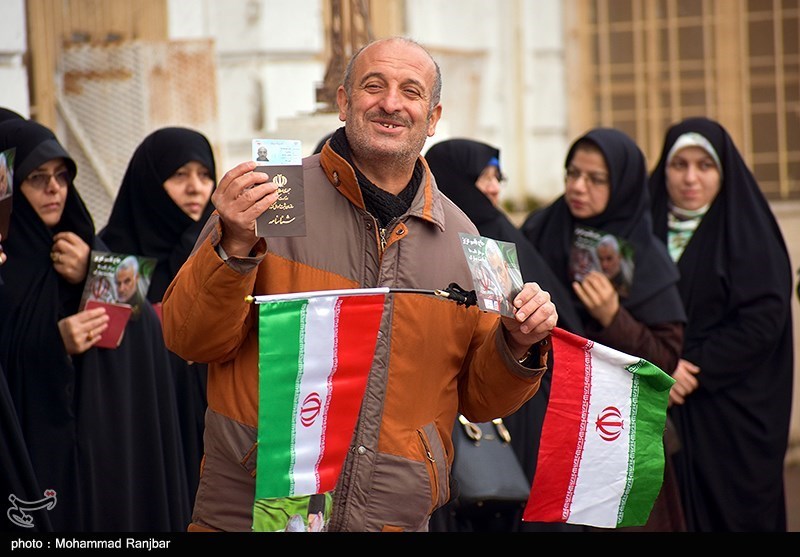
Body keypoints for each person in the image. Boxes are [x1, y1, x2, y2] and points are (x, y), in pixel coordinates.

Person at [162, 36, 558, 532]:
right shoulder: (269, 202)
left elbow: (481, 401)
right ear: (345, 102)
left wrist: (518, 345)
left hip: (390, 514)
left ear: (433, 118)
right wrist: (232, 248)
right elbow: (189, 339)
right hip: (254, 509)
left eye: (411, 91)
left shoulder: (464, 239)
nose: (391, 103)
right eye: (374, 86)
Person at [0, 119, 191, 531]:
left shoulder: (88, 246)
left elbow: (145, 342)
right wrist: (54, 344)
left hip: (104, 455)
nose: (54, 189)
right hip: (38, 462)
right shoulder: (5, 265)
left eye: (61, 176)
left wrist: (91, 270)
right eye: (37, 178)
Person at [520, 127, 688, 532]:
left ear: (624, 185)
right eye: (572, 174)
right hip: (548, 421)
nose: (578, 187)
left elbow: (664, 359)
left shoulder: (645, 255)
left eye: (596, 179)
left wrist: (615, 316)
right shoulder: (540, 231)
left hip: (616, 434)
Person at [425, 138, 584, 533]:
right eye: (484, 177)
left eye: (498, 177)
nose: (495, 187)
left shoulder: (494, 236)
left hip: (516, 403)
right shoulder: (446, 237)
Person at [648, 117, 794, 532]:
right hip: (661, 402)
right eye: (679, 165)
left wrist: (692, 368)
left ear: (723, 171)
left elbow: (764, 319)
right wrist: (662, 367)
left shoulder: (749, 231)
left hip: (729, 409)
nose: (691, 178)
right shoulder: (645, 227)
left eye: (704, 166)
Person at [98, 126, 216, 512]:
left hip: (211, 426)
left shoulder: (223, 250)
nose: (196, 188)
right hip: (144, 426)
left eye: (204, 174)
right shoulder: (115, 259)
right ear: (149, 182)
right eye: (179, 175)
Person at [596, 233, 632, 297]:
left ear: (619, 257)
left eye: (609, 259)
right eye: (601, 259)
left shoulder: (628, 279)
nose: (604, 265)